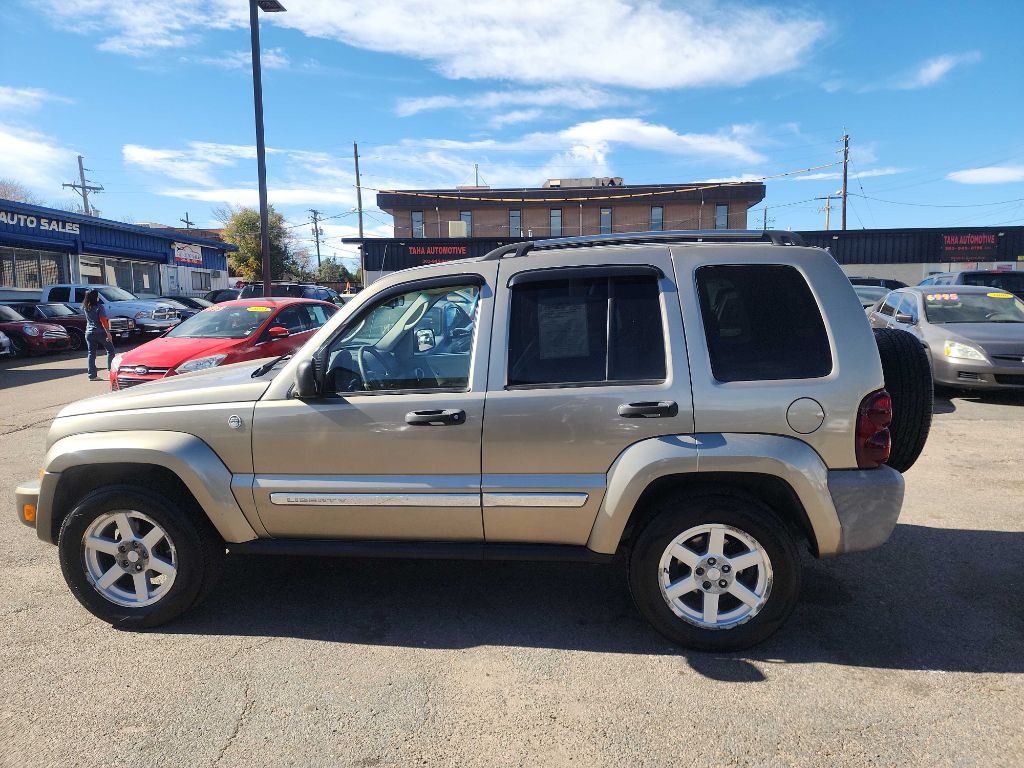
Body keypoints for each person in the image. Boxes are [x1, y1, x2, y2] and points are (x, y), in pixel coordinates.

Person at [82, 289, 115, 380]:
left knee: (91, 353)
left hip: (89, 332)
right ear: (95, 297)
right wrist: (108, 333)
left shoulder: (85, 307)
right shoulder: (99, 307)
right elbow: (103, 320)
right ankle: (110, 372)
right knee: (110, 350)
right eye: (97, 296)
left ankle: (92, 375)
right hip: (100, 332)